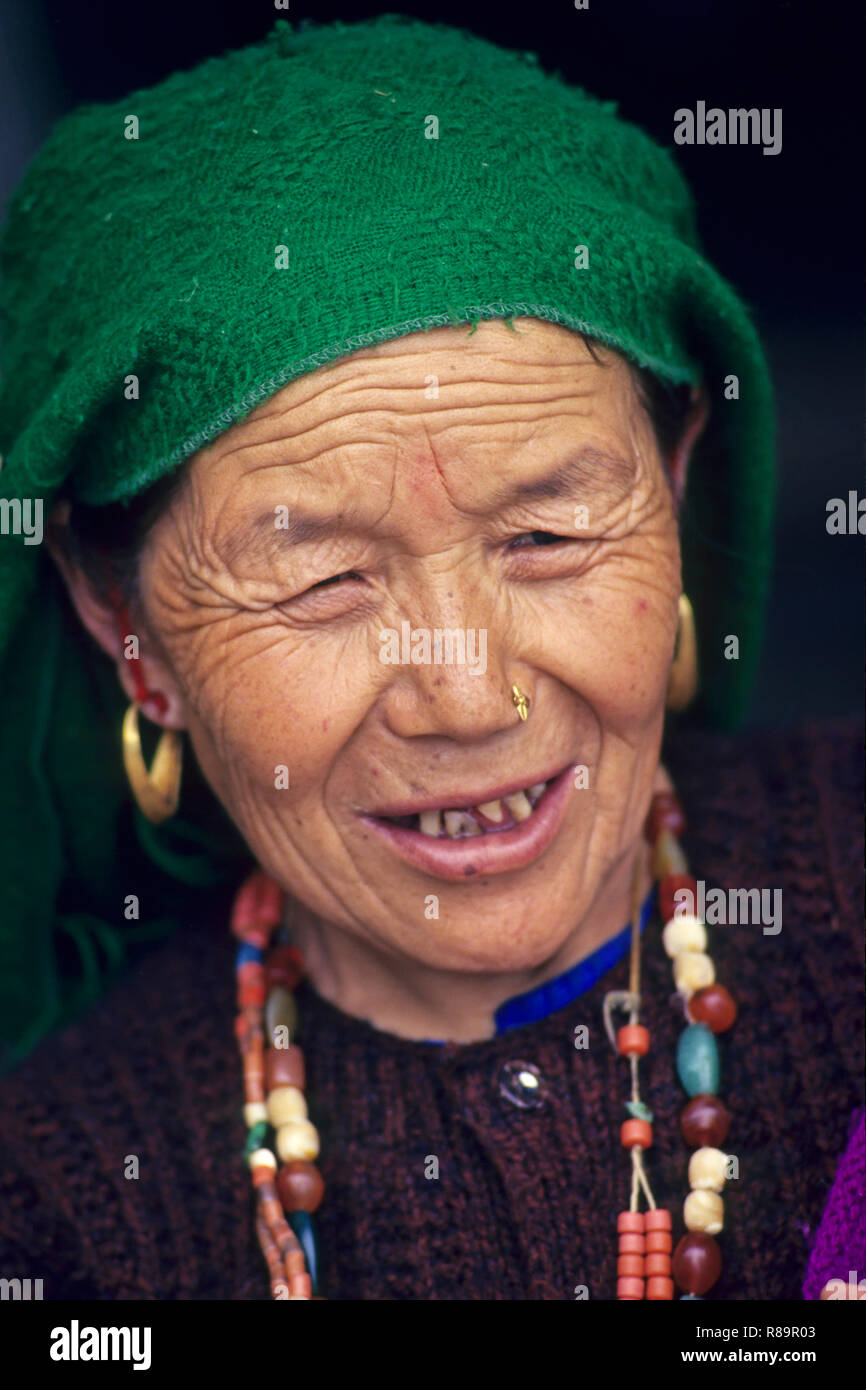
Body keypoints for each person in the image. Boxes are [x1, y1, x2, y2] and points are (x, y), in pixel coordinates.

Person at [0, 15, 861, 1302]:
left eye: (546, 533)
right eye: (321, 579)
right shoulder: (60, 1211)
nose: (466, 695)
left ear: (676, 494)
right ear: (127, 626)